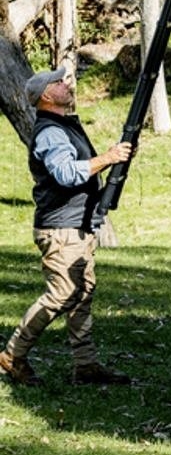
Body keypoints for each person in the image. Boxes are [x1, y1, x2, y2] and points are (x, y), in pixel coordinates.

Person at [0, 66, 133, 387]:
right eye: (59, 82)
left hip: (76, 225)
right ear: (46, 95)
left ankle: (85, 367)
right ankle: (12, 355)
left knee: (82, 292)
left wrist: (112, 164)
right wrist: (108, 157)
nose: (66, 83)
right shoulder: (50, 132)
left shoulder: (63, 125)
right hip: (60, 229)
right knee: (62, 293)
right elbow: (66, 174)